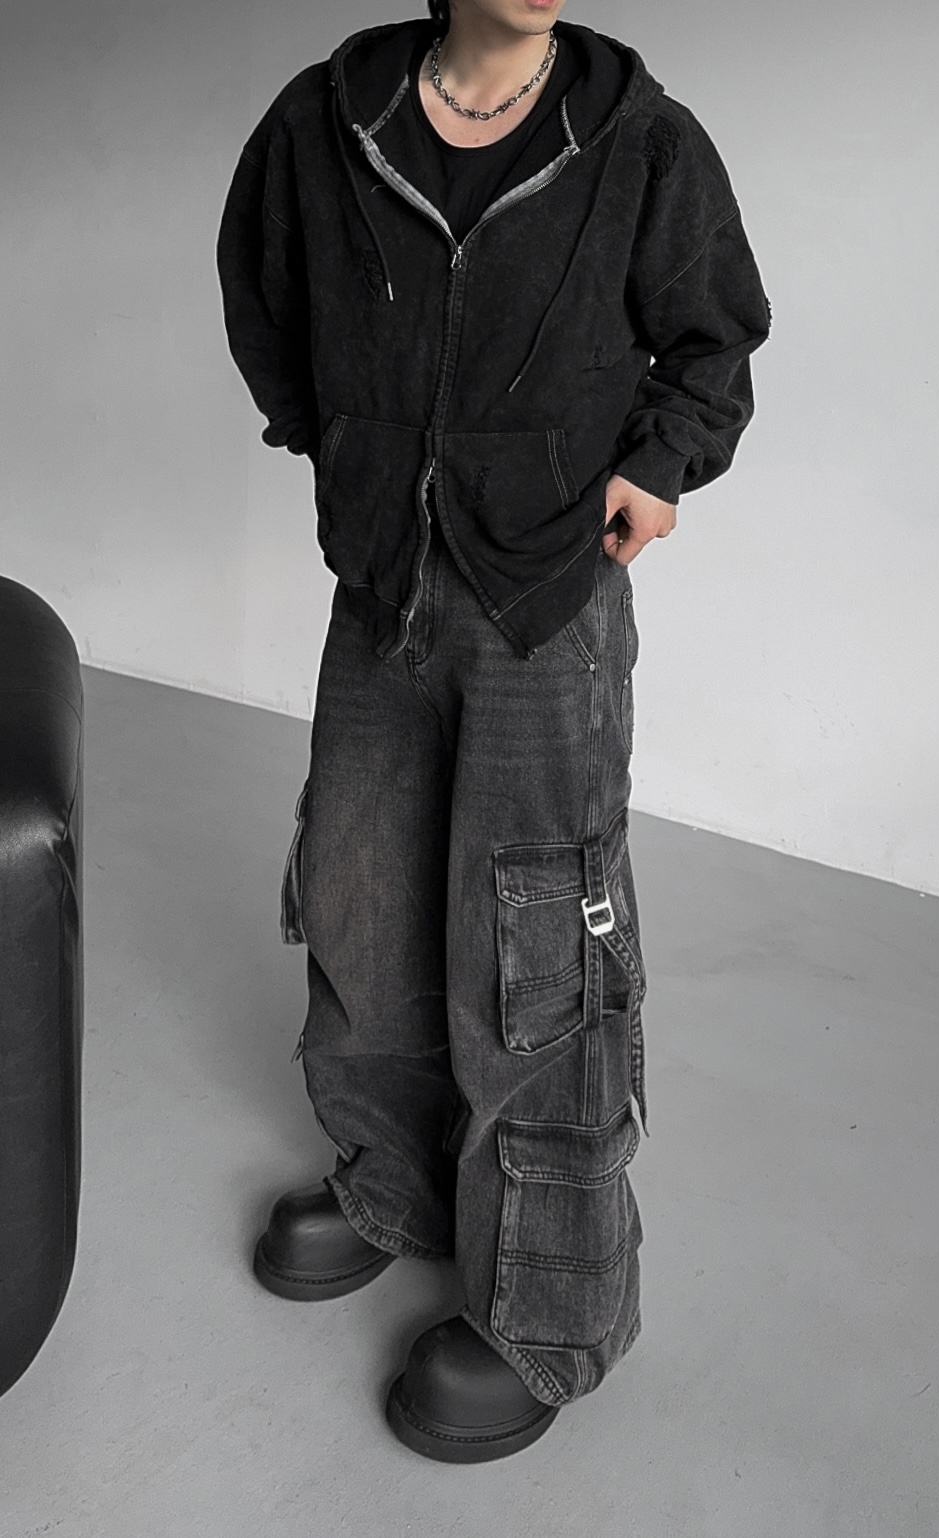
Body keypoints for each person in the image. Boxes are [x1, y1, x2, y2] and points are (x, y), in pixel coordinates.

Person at [216, 0, 770, 1463]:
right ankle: (392, 1181)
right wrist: (350, 452)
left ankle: (548, 1305)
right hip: (379, 584)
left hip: (544, 596)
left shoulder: (640, 140)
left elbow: (714, 338)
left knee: (538, 940)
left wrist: (660, 466)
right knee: (362, 888)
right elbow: (265, 298)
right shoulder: (326, 122)